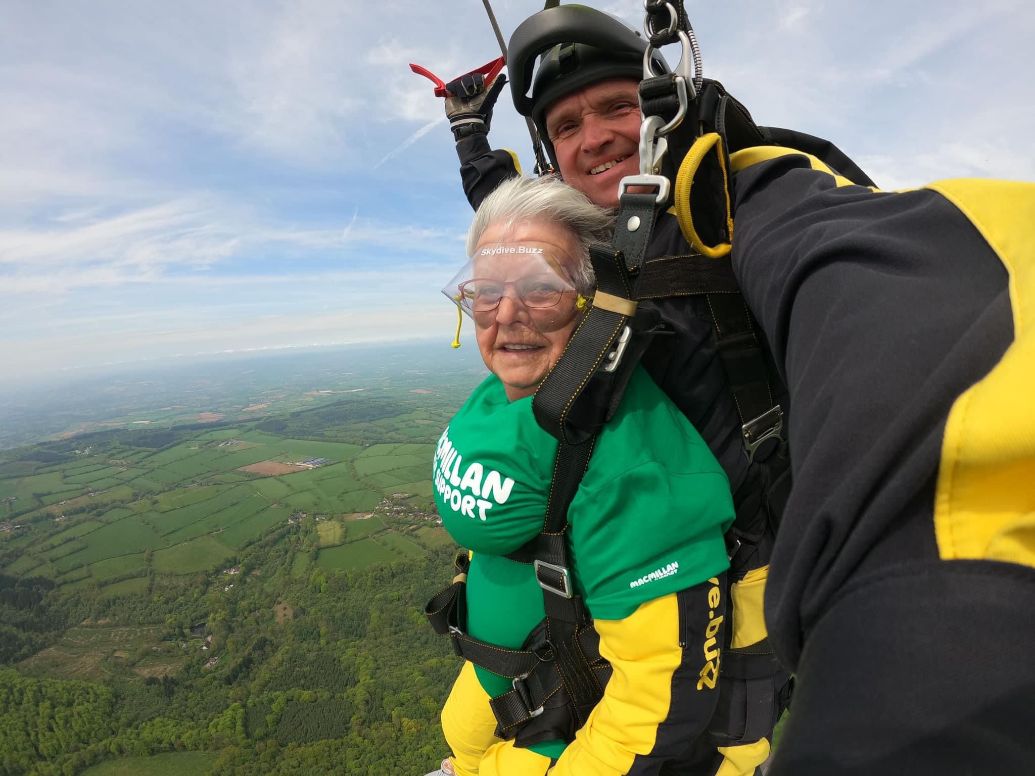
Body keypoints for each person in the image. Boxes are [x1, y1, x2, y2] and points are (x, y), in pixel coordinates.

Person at [433, 4, 1035, 774]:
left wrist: (928, 645)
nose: (595, 138)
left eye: (616, 106)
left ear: (658, 110)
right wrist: (468, 138)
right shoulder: (586, 231)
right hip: (606, 593)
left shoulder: (737, 201)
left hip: (725, 607)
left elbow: (890, 296)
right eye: (566, 126)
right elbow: (516, 227)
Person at [428, 174, 741, 775]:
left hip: (558, 734)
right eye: (485, 292)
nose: (508, 314)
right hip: (507, 694)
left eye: (542, 289)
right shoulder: (512, 396)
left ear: (593, 301)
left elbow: (657, 702)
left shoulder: (629, 462)